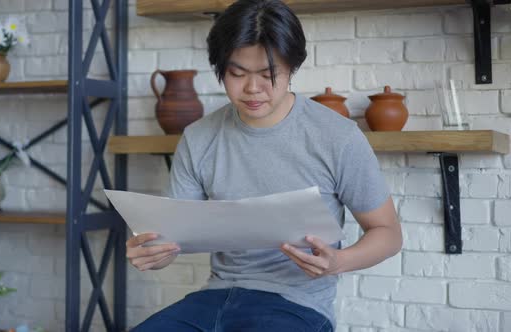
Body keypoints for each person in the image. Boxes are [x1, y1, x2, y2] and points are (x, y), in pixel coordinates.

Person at [126, 0, 402, 331]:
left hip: (296, 305)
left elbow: (388, 233)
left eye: (268, 74)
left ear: (292, 69)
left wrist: (338, 262)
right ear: (220, 69)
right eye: (236, 74)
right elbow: (173, 238)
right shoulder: (199, 137)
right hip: (215, 296)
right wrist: (155, 254)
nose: (252, 88)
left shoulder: (337, 136)